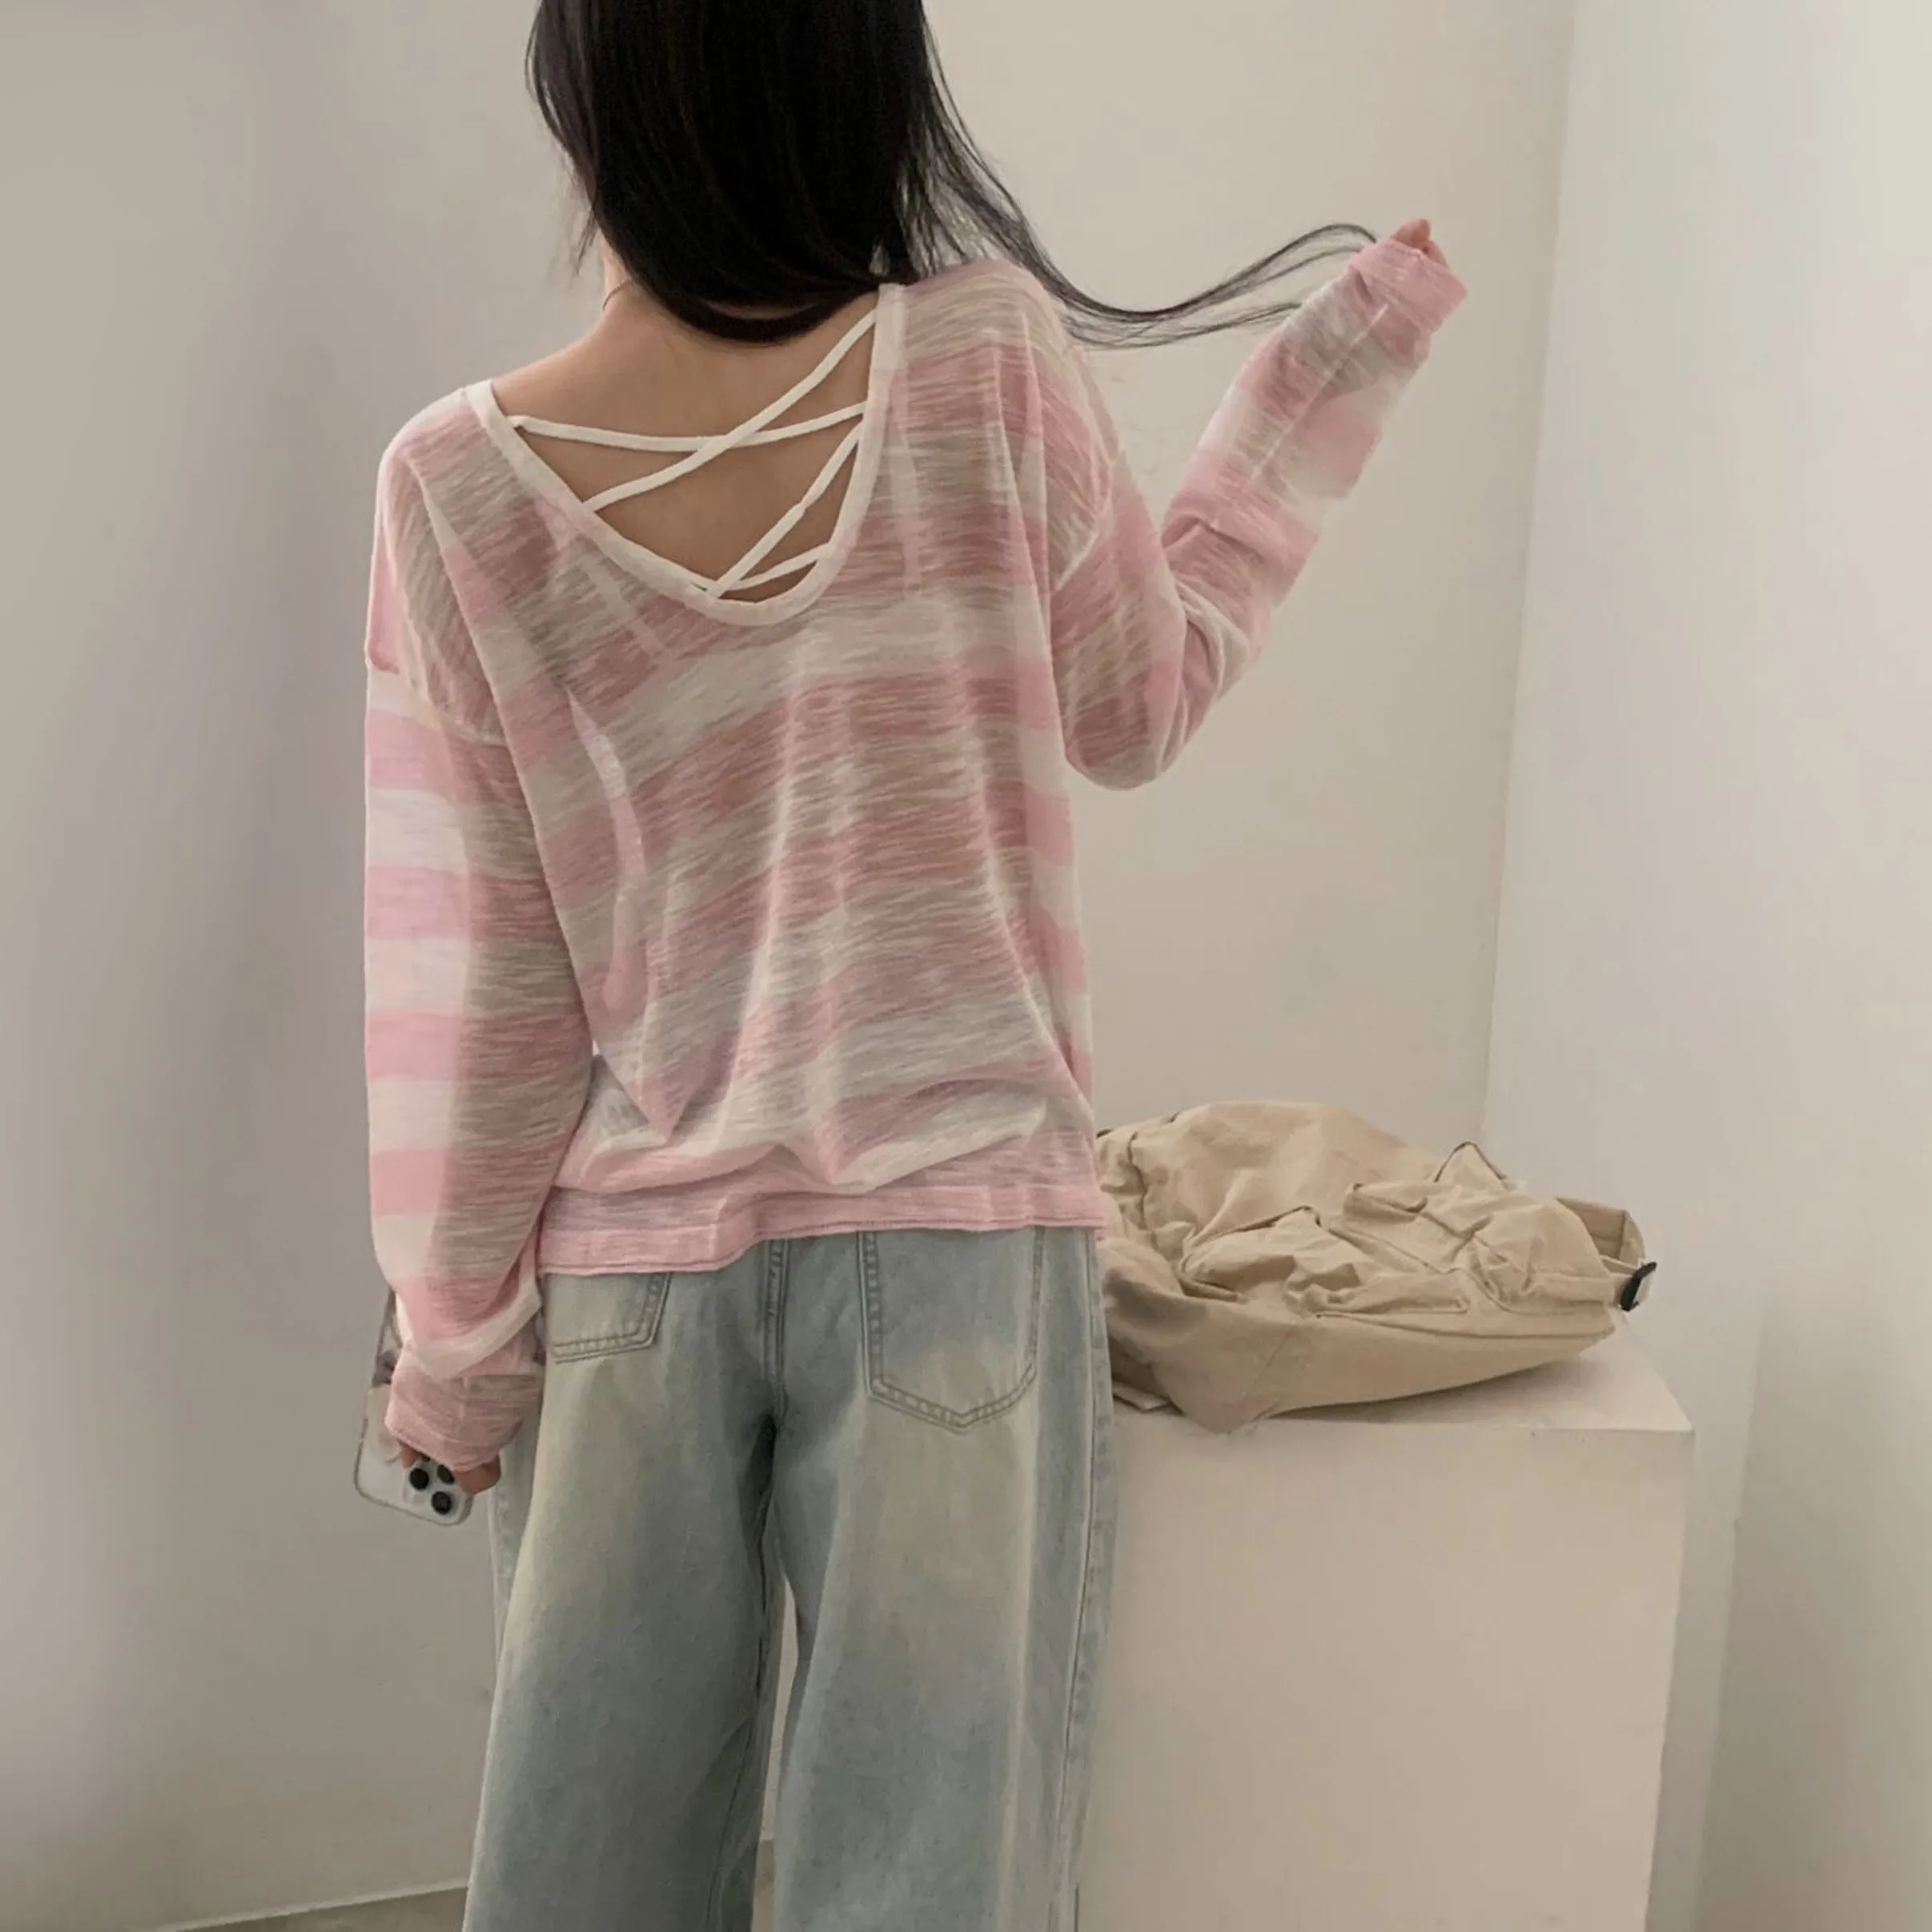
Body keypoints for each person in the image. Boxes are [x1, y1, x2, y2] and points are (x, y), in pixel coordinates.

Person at [361, 2, 1464, 1926]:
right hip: (956, 1250)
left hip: (628, 1277)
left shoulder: (454, 486)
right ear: (868, 90)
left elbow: (489, 994)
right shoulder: (984, 363)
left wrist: (454, 1354)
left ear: (586, 99)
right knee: (928, 1882)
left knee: (582, 1878)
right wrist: (1325, 379)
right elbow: (1139, 706)